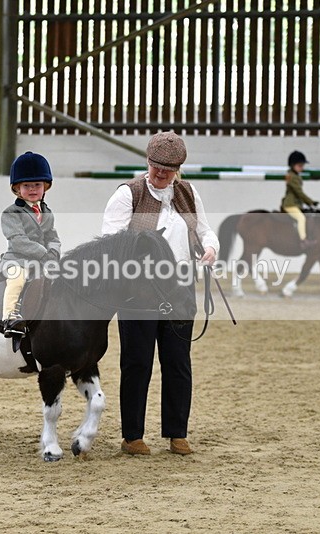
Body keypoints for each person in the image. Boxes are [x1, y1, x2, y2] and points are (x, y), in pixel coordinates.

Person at [101, 131, 219, 456]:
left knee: (178, 362)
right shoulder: (128, 194)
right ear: (148, 161)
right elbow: (111, 241)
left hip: (180, 289)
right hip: (137, 292)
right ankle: (132, 436)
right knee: (137, 363)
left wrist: (210, 248)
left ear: (178, 169)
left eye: (168, 170)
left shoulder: (188, 193)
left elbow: (205, 230)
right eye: (156, 167)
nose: (160, 174)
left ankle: (177, 433)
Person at [1, 151, 61, 337]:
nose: (33, 189)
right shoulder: (11, 213)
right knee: (17, 279)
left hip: (44, 261)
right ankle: (9, 316)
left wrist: (53, 253)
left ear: (45, 187)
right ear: (17, 189)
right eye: (27, 185)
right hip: (18, 260)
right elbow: (18, 240)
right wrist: (44, 253)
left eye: (37, 185)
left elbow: (53, 236)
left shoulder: (47, 212)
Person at [281, 150, 320, 250]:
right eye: (299, 166)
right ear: (292, 165)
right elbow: (299, 192)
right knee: (301, 218)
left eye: (302, 166)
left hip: (296, 204)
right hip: (290, 205)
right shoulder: (292, 177)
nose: (302, 168)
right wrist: (310, 202)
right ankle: (303, 240)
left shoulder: (295, 176)